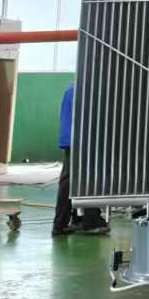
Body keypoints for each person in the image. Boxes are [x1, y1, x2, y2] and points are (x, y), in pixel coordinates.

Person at [51, 82, 108, 237]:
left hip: (73, 140)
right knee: (87, 179)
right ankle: (91, 221)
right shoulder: (85, 90)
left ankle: (67, 222)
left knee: (70, 181)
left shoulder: (72, 89)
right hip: (81, 141)